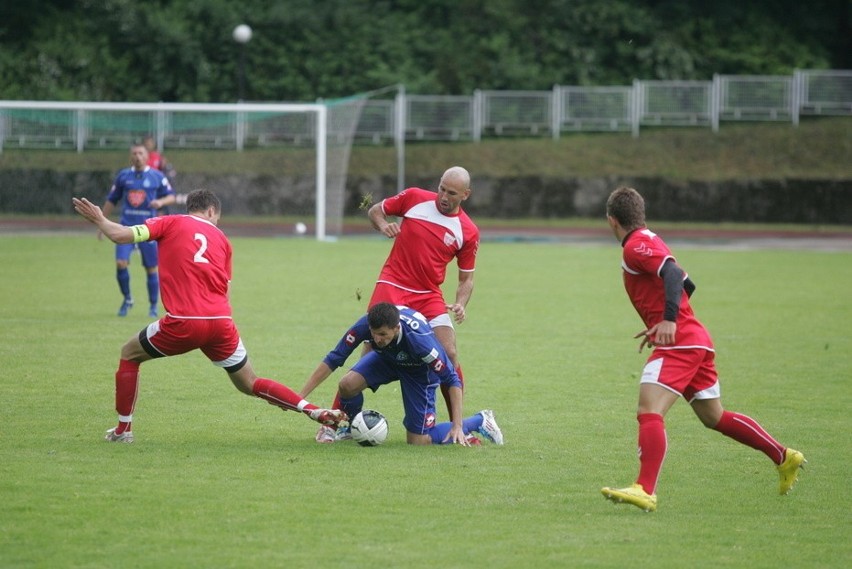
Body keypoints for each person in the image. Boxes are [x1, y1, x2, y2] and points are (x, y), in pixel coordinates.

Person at [72, 189, 348, 444]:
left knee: (129, 353)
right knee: (250, 383)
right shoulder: (224, 241)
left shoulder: (168, 222)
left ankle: (123, 430)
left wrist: (99, 219)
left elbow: (120, 236)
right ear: (212, 212)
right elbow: (224, 286)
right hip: (221, 323)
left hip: (184, 321)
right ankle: (313, 411)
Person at [600, 186, 805, 512]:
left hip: (681, 342)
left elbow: (670, 274)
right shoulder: (650, 240)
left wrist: (669, 320)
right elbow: (687, 283)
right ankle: (784, 457)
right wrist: (663, 318)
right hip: (694, 338)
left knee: (649, 410)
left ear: (612, 220)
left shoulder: (635, 246)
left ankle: (645, 489)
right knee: (715, 417)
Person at [300, 302, 503, 446]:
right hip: (387, 359)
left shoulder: (421, 342)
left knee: (418, 441)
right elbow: (334, 358)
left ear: (396, 328)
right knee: (347, 385)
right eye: (374, 333)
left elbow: (452, 379)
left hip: (418, 371)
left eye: (382, 335)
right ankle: (351, 428)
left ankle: (480, 420)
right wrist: (300, 398)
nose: (377, 339)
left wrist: (457, 425)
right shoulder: (366, 325)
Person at [101, 143, 176, 318]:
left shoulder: (157, 176)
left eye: (140, 153)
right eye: (134, 153)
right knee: (121, 263)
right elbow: (112, 199)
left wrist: (160, 202)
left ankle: (152, 306)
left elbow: (171, 196)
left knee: (151, 268)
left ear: (147, 156)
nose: (137, 156)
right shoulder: (123, 176)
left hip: (148, 230)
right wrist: (101, 222)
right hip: (126, 227)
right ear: (130, 157)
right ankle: (127, 299)